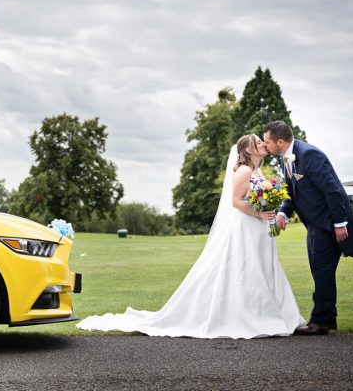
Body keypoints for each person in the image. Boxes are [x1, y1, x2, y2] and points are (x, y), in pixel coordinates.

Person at [75, 135, 305, 338]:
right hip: (244, 225)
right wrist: (259, 211)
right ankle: (245, 314)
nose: (263, 145)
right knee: (244, 268)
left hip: (257, 226)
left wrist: (268, 207)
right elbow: (235, 202)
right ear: (248, 150)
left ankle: (265, 311)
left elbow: (256, 196)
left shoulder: (256, 170)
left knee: (259, 268)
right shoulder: (244, 170)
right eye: (258, 143)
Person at [262, 120, 353, 336]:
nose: (265, 146)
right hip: (315, 225)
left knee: (322, 270)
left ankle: (320, 322)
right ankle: (327, 319)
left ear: (280, 141)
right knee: (320, 271)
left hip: (327, 224)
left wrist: (339, 224)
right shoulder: (286, 158)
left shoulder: (309, 155)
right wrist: (282, 213)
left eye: (267, 142)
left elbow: (333, 190)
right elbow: (291, 190)